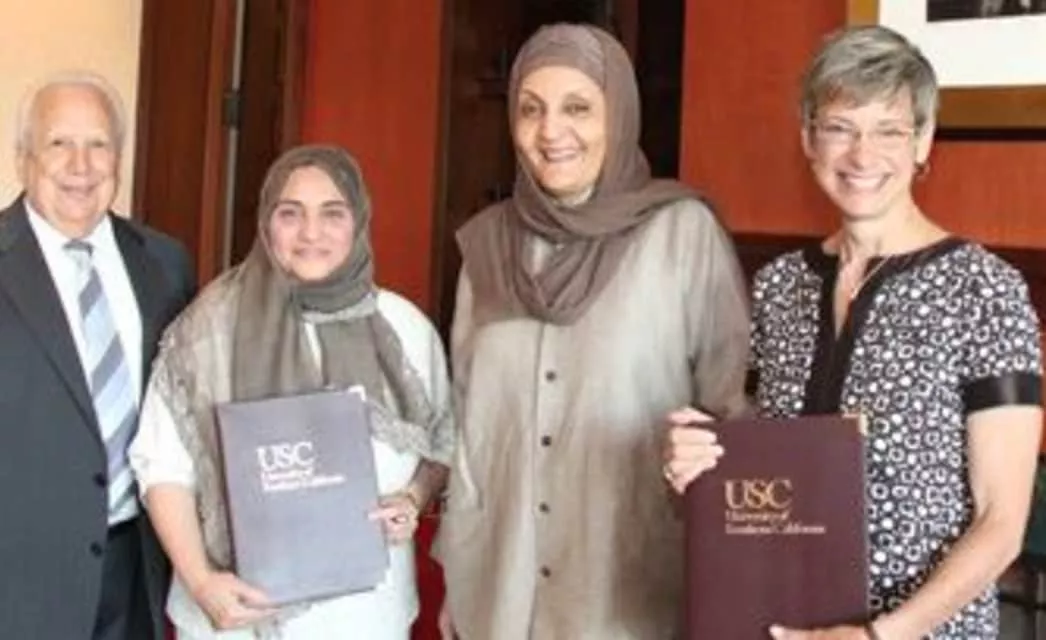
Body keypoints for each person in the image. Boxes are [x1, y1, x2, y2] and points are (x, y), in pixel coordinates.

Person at [664, 25, 1043, 639]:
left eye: (889, 130)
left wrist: (879, 635)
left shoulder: (984, 290)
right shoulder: (779, 286)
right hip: (781, 624)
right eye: (840, 128)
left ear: (923, 141)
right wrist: (697, 465)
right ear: (808, 140)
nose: (862, 156)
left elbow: (1002, 523)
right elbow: (758, 469)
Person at [436, 23, 750, 639]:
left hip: (628, 587)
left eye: (577, 108)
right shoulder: (487, 246)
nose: (551, 131)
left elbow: (727, 413)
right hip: (500, 585)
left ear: (620, 116)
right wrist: (458, 573)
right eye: (531, 109)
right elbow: (467, 422)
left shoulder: (681, 233)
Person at [128, 145, 453, 639]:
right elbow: (162, 467)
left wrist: (413, 497)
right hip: (236, 617)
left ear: (359, 221)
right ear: (265, 222)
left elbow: (440, 445)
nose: (311, 233)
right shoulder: (209, 329)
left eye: (333, 213)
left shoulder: (405, 329)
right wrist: (200, 581)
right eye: (290, 213)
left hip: (367, 617)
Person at [0, 71, 195, 639]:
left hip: (136, 573)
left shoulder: (165, 264)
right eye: (59, 143)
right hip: (16, 583)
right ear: (23, 158)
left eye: (98, 144)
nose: (80, 166)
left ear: (119, 158)